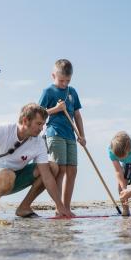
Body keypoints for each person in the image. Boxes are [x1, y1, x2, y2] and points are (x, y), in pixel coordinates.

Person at [0, 103, 72, 219]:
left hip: (15, 177)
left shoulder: (38, 142)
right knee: (7, 175)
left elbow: (47, 176)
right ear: (25, 120)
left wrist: (60, 206)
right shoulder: (3, 129)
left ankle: (24, 207)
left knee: (52, 167)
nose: (41, 129)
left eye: (43, 124)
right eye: (38, 124)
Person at [38, 59, 85, 213]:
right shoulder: (48, 91)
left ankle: (67, 206)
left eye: (68, 80)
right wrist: (56, 109)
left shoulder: (72, 92)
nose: (64, 84)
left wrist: (82, 135)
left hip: (71, 135)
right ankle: (60, 207)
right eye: (61, 80)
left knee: (73, 171)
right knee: (61, 169)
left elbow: (77, 115)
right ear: (53, 75)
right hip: (55, 133)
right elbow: (38, 113)